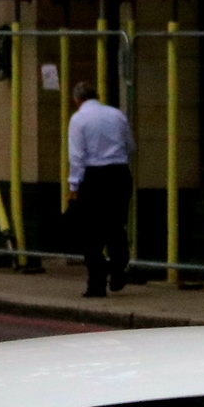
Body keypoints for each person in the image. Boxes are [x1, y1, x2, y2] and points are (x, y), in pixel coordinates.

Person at [67, 81, 133, 298]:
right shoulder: (116, 114)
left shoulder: (78, 119)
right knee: (115, 225)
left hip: (94, 177)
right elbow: (130, 145)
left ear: (77, 100)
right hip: (119, 174)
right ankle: (117, 267)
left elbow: (77, 156)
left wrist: (74, 185)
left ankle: (96, 284)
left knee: (90, 233)